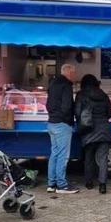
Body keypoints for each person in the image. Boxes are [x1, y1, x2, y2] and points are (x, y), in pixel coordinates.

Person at [75, 74, 111, 194]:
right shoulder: (103, 94)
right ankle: (103, 185)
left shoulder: (81, 95)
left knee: (89, 157)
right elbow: (110, 112)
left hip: (88, 129)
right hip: (104, 129)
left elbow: (77, 112)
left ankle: (89, 182)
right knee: (103, 159)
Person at [46, 63, 79, 194]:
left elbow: (48, 104)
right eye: (74, 73)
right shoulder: (66, 85)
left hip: (51, 123)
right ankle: (62, 185)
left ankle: (51, 184)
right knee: (63, 156)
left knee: (54, 153)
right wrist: (68, 120)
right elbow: (67, 106)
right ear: (69, 73)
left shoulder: (53, 83)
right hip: (62, 124)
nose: (75, 75)